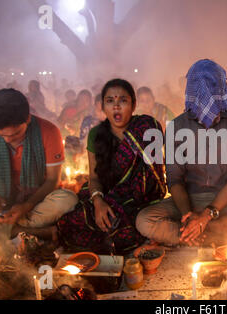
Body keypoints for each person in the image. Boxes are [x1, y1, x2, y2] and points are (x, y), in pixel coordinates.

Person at [136, 59, 227, 247]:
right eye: (199, 89)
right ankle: (204, 233)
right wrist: (188, 214)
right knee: (144, 220)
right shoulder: (177, 126)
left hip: (225, 202)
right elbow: (175, 180)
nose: (206, 95)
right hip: (188, 199)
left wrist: (207, 216)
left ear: (222, 89)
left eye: (211, 87)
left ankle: (193, 235)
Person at [55, 79, 167, 254]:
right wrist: (99, 202)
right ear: (102, 106)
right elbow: (93, 177)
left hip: (144, 200)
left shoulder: (147, 127)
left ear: (133, 104)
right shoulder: (96, 134)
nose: (116, 107)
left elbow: (154, 175)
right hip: (108, 196)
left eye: (122, 100)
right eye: (110, 101)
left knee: (131, 226)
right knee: (75, 219)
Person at [0, 89, 77, 241]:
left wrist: (27, 205)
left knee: (67, 199)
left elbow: (52, 180)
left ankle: (0, 229)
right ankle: (26, 230)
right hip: (0, 206)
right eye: (2, 135)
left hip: (35, 204)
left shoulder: (48, 131)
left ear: (27, 119)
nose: (8, 140)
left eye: (15, 134)